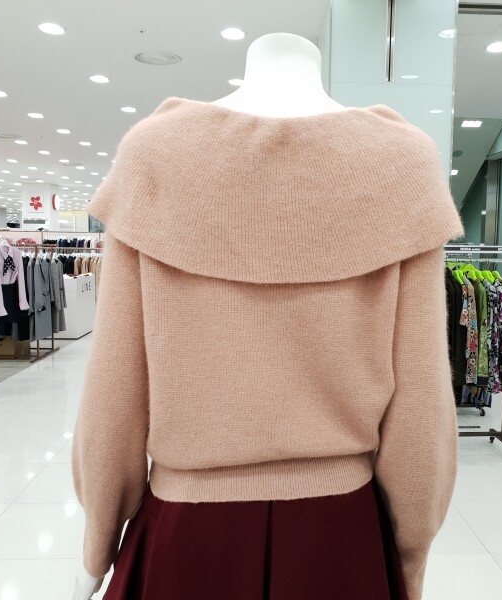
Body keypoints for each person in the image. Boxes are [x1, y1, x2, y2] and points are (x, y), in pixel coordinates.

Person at [72, 33, 463, 600]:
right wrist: (411, 549)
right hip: (340, 535)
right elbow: (421, 402)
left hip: (187, 533)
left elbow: (116, 383)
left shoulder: (154, 155)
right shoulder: (402, 165)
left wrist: (97, 546)